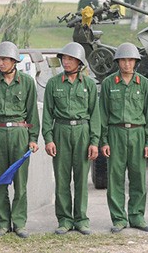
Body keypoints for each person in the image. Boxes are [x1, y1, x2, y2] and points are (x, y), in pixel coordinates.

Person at [42, 42, 101, 235]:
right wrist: (49, 139)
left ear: (79, 62)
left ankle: (81, 219)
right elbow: (48, 115)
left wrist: (94, 142)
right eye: (64, 59)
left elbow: (95, 115)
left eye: (70, 59)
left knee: (81, 179)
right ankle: (64, 220)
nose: (66, 63)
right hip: (61, 131)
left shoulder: (89, 85)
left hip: (82, 132)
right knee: (62, 178)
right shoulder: (53, 84)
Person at [99, 43, 148, 234]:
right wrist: (104, 141)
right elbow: (103, 115)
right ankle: (119, 218)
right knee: (115, 178)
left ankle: (137, 216)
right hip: (116, 133)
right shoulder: (108, 84)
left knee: (138, 177)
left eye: (130, 60)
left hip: (138, 133)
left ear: (136, 62)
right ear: (117, 62)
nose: (126, 64)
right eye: (123, 60)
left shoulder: (144, 84)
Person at [0, 41, 40, 238]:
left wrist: (33, 139)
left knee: (20, 182)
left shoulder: (27, 82)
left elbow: (32, 113)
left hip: (20, 133)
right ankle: (2, 223)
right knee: (0, 181)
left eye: (4, 59)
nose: (1, 62)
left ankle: (19, 223)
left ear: (14, 61)